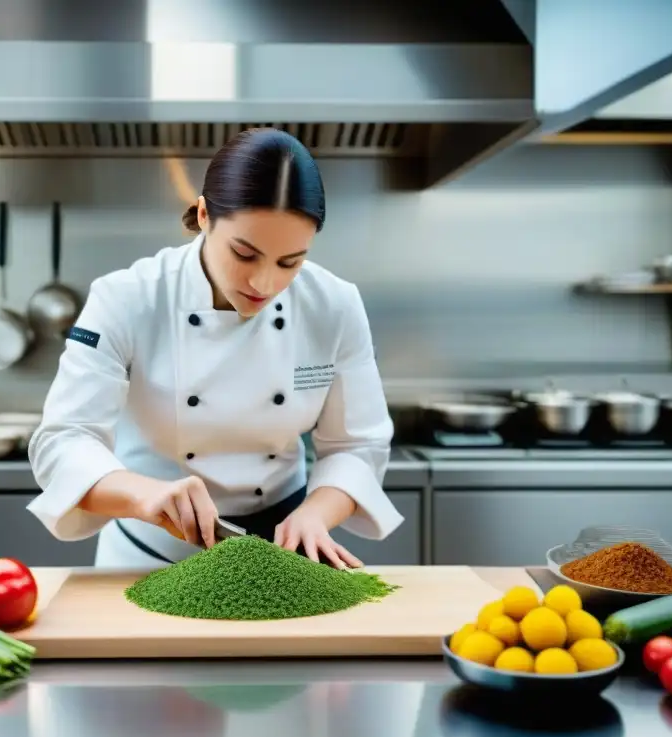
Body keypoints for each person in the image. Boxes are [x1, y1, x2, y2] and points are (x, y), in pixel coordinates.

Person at [27, 127, 403, 570]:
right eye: (244, 254)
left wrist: (316, 515)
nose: (265, 283)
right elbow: (64, 439)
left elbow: (356, 445)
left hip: (281, 558)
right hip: (148, 557)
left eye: (290, 262)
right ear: (204, 215)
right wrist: (144, 495)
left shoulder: (334, 305)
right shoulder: (126, 298)